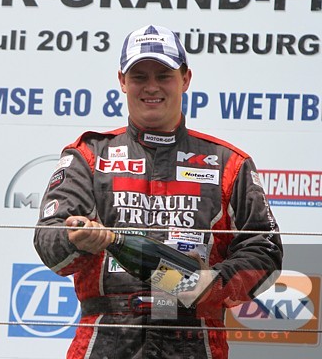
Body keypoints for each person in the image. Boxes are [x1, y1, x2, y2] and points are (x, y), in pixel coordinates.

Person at [33, 24, 283, 359]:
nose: (151, 87)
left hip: (194, 337)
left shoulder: (229, 163)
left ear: (185, 79)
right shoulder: (90, 156)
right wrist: (76, 239)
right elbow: (48, 239)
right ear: (122, 81)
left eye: (164, 75)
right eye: (139, 77)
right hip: (107, 337)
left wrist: (210, 284)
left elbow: (265, 251)